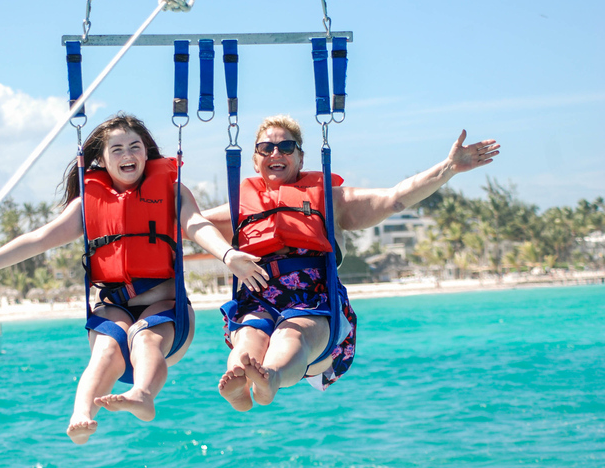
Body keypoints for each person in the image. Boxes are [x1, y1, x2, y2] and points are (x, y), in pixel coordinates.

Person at [0, 113, 268, 444]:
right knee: (107, 348)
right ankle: (82, 413)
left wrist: (228, 255)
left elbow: (196, 224)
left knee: (144, 338)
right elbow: (38, 239)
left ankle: (142, 394)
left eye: (135, 146)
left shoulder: (173, 192)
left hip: (168, 311)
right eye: (117, 149)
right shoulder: (87, 204)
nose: (128, 155)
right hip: (114, 306)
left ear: (146, 152)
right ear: (102, 159)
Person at [203, 115, 500, 411]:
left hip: (314, 300)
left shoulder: (331, 201)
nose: (276, 153)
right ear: (256, 161)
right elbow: (189, 225)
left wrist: (448, 168)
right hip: (258, 297)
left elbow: (396, 198)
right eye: (266, 148)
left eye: (286, 147)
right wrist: (227, 255)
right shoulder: (239, 209)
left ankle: (271, 379)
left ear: (300, 157)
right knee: (249, 337)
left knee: (292, 334)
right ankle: (239, 385)